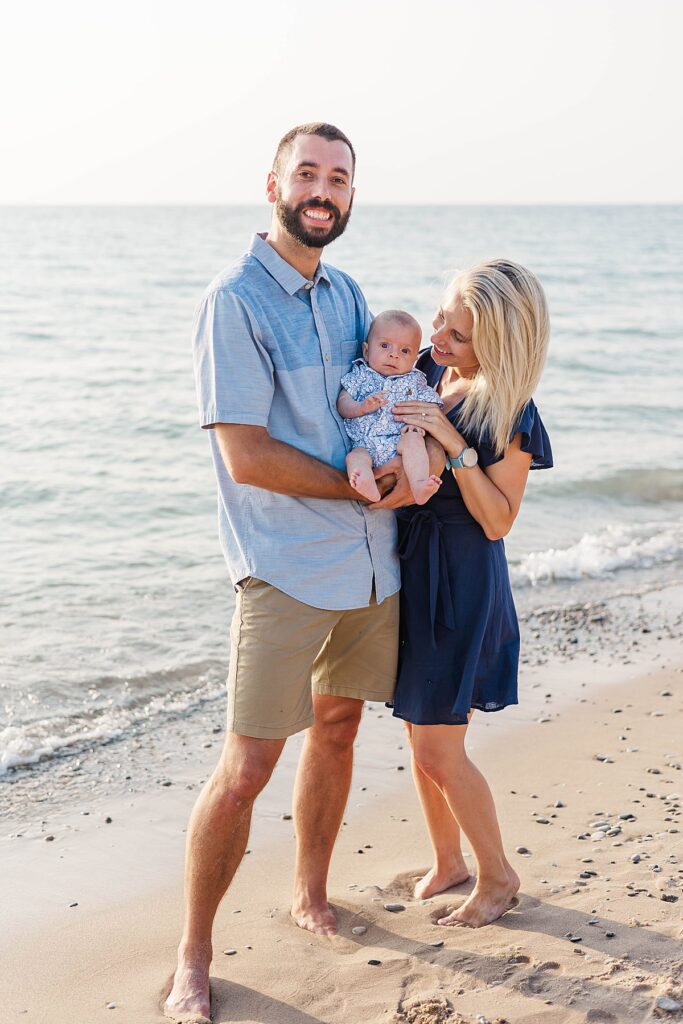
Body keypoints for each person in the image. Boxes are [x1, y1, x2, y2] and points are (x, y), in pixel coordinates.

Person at [164, 123, 442, 1024]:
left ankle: (308, 893)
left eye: (339, 178)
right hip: (283, 567)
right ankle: (193, 959)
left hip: (369, 569)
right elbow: (246, 455)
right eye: (308, 175)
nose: (324, 191)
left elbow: (385, 387)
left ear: (351, 194)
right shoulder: (234, 299)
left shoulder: (349, 291)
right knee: (245, 767)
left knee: (335, 732)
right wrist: (365, 495)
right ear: (273, 184)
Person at [387, 259, 553, 929]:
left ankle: (496, 877)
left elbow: (497, 520)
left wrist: (453, 444)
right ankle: (448, 862)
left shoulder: (512, 411)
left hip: (459, 580)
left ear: (495, 345)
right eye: (440, 321)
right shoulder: (430, 371)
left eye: (455, 334)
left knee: (437, 746)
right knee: (416, 729)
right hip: (413, 569)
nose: (437, 339)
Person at [337, 309, 443, 504]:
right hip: (364, 443)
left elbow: (432, 408)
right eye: (385, 346)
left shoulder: (415, 381)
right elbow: (342, 403)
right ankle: (366, 482)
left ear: (414, 360)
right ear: (367, 351)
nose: (394, 355)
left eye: (404, 351)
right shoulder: (360, 375)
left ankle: (419, 484)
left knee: (414, 442)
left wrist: (419, 425)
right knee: (355, 458)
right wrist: (361, 407)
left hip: (399, 441)